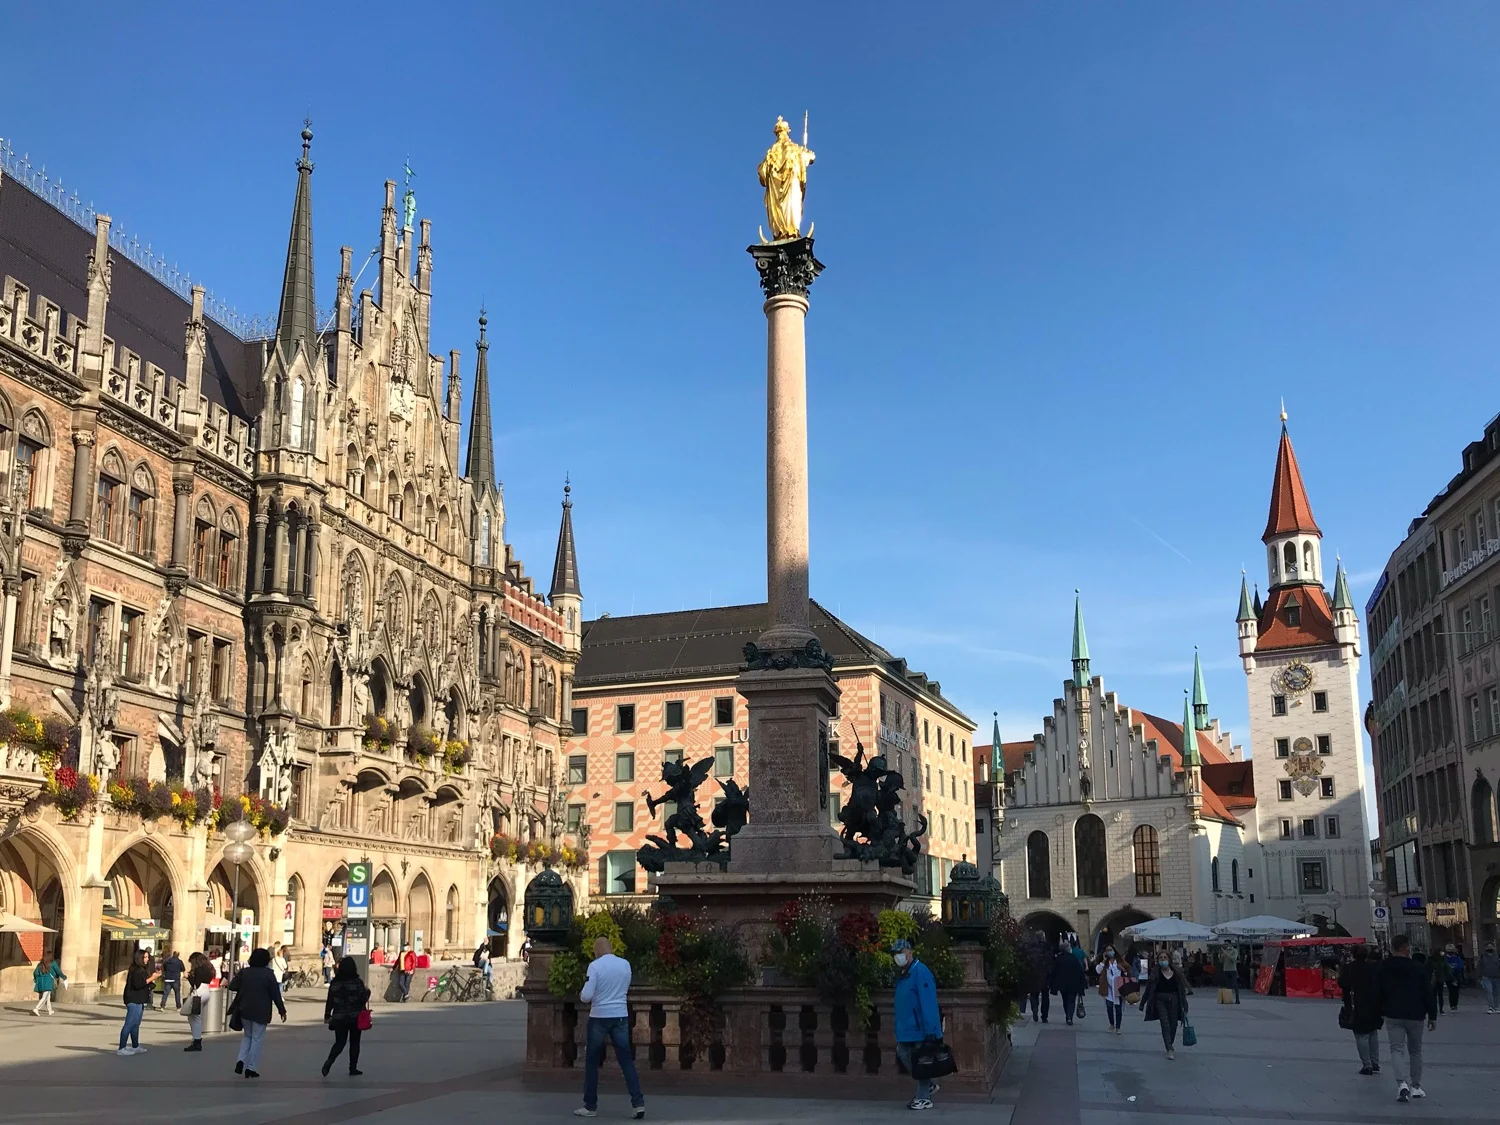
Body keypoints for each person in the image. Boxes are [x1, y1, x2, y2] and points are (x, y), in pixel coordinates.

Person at [573, 935, 645, 1119]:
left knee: (592, 1061)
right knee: (626, 1060)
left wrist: (582, 994)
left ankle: (590, 1105)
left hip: (599, 1016)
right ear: (611, 948)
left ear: (597, 951)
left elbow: (587, 995)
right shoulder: (625, 964)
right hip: (620, 1015)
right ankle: (638, 1103)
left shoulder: (595, 966)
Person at [1380, 934, 1436, 1103]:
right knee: (1415, 1051)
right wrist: (1432, 1015)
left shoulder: (1384, 967)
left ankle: (1401, 1083)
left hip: (1393, 1014)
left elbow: (1378, 990)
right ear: (1406, 948)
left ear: (1392, 948)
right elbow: (1427, 992)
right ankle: (1416, 1086)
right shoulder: (1418, 968)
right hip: (1415, 1014)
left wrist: (1380, 1009)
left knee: (1396, 1049)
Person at [891, 938, 942, 1112]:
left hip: (920, 1027)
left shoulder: (920, 972)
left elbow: (927, 1002)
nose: (898, 957)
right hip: (909, 1027)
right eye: (896, 954)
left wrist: (930, 1030)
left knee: (921, 1061)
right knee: (904, 1052)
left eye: (901, 953)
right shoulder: (905, 973)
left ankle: (924, 1098)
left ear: (910, 953)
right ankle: (928, 1085)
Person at [227, 947, 288, 1079]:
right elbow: (275, 994)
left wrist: (244, 987)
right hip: (261, 1010)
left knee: (247, 1036)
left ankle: (240, 1060)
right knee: (257, 1038)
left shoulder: (244, 972)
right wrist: (281, 1010)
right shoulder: (268, 974)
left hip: (244, 1009)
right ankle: (251, 1067)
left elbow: (232, 986)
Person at [322, 955, 372, 1077]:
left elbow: (330, 1000)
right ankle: (353, 1067)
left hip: (339, 1017)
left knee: (339, 1042)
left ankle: (329, 1062)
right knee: (355, 1042)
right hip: (355, 1017)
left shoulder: (335, 983)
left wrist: (327, 1015)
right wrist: (367, 993)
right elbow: (362, 999)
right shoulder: (357, 982)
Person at [1337, 944, 1383, 1075]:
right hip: (1373, 1004)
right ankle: (1375, 1062)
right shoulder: (1373, 968)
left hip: (1356, 1004)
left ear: (1352, 954)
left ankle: (1367, 1064)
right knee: (1373, 1033)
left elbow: (1342, 983)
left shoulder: (1349, 968)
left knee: (1361, 1034)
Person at [1139, 951, 1188, 1060]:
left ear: (1169, 959)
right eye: (1161, 958)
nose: (1163, 960)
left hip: (1174, 1000)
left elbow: (1181, 990)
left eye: (1165, 957)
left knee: (1173, 1024)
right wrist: (1142, 1003)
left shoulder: (1177, 972)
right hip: (1160, 1000)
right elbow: (1148, 990)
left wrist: (1185, 1004)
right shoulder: (1155, 973)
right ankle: (1169, 1048)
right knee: (1165, 1023)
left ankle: (1169, 1043)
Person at [117, 948, 160, 1056]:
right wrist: (152, 978)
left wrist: (154, 978)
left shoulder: (142, 969)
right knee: (129, 1024)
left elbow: (145, 983)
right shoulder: (136, 970)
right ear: (139, 958)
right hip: (133, 999)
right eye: (145, 957)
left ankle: (135, 1046)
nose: (147, 959)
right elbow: (138, 984)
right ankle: (121, 1048)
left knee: (136, 1024)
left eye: (147, 957)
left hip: (139, 999)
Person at [183, 951, 217, 1051]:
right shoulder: (209, 968)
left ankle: (197, 1040)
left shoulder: (199, 969)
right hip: (206, 991)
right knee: (195, 1016)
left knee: (194, 1017)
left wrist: (188, 977)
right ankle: (196, 1039)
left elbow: (195, 984)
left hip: (199, 992)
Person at [1095, 946, 1130, 1035]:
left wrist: (1122, 968)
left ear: (1114, 951)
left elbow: (1128, 970)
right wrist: (1103, 960)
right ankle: (1111, 1024)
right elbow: (1098, 971)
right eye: (1107, 950)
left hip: (1118, 987)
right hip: (1108, 988)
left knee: (1118, 1008)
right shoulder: (1105, 963)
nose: (1109, 952)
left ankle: (1118, 1027)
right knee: (1109, 1006)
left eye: (1110, 950)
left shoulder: (1119, 961)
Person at [1050, 941, 1086, 1027]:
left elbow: (1054, 972)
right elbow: (1080, 971)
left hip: (1062, 984)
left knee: (1065, 1000)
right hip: (1073, 984)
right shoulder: (1073, 959)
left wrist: (1053, 984)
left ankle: (1067, 1015)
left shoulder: (1058, 959)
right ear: (1067, 949)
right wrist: (1083, 984)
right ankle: (1070, 1017)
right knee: (1071, 1001)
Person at [1425, 946, 1449, 1014]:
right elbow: (1446, 968)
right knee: (1440, 995)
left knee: (1433, 995)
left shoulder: (1429, 959)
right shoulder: (1442, 959)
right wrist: (1448, 977)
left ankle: (1434, 1009)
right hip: (1440, 979)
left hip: (1433, 979)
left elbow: (1426, 970)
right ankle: (1441, 1009)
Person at [1478, 942, 1500, 1014]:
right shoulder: (1482, 956)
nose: (1490, 948)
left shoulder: (1497, 956)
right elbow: (1479, 967)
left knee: (1496, 993)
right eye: (1488, 947)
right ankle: (1491, 1007)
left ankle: (1496, 1007)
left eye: (1491, 947)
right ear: (1485, 948)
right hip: (1486, 977)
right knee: (1489, 992)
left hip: (1497, 977)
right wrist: (1479, 977)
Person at [1443, 943, 1464, 1011]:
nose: (1450, 952)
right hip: (1448, 976)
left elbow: (1460, 966)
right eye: (1449, 950)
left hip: (1456, 976)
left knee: (1456, 991)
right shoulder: (1444, 958)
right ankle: (1452, 1004)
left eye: (1451, 950)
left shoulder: (1457, 958)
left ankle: (1454, 1004)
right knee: (1451, 991)